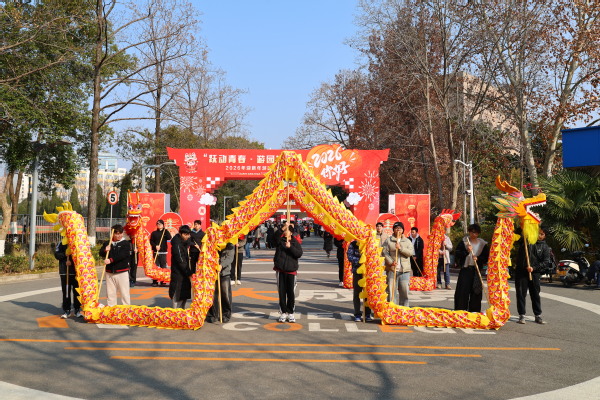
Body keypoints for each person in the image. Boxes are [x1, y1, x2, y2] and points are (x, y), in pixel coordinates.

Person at [515, 227, 551, 324]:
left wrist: (534, 268)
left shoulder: (545, 247)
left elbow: (546, 262)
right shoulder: (526, 240)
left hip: (535, 273)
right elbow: (517, 235)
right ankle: (522, 315)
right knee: (521, 293)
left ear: (545, 236)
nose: (539, 235)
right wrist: (522, 226)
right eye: (538, 233)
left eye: (542, 234)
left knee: (535, 294)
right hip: (521, 271)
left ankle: (537, 315)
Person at [454, 223, 489, 313]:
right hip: (466, 269)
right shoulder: (464, 242)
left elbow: (486, 257)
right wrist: (467, 251)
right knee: (462, 291)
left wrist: (478, 258)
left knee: (476, 290)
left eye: (476, 233)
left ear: (478, 233)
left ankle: (474, 311)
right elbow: (457, 254)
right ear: (469, 232)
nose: (474, 234)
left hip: (476, 270)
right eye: (472, 232)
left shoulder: (482, 244)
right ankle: (461, 310)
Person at [274, 221, 303, 323]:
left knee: (291, 293)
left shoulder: (295, 242)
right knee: (281, 292)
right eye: (284, 231)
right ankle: (283, 312)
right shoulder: (280, 241)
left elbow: (299, 254)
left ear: (291, 232)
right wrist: (283, 227)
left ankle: (290, 312)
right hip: (280, 270)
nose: (285, 232)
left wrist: (290, 247)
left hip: (291, 271)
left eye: (287, 230)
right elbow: (274, 238)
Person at [99, 224, 132, 307]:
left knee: (124, 293)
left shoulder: (126, 243)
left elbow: (123, 255)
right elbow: (100, 253)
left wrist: (111, 260)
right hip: (109, 272)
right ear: (112, 234)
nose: (119, 235)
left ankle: (126, 309)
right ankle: (111, 309)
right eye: (117, 234)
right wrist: (105, 250)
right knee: (110, 294)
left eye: (121, 233)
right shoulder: (107, 243)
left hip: (122, 272)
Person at [383, 222, 414, 307]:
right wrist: (391, 262)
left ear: (403, 230)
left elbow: (410, 253)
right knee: (391, 292)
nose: (398, 230)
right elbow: (384, 252)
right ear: (393, 230)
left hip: (404, 271)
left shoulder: (407, 241)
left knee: (404, 292)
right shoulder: (388, 240)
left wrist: (401, 248)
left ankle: (404, 310)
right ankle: (392, 309)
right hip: (392, 270)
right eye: (396, 228)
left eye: (400, 228)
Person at [206, 242, 235, 323]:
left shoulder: (230, 244)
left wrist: (221, 265)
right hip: (212, 273)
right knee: (213, 295)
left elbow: (230, 258)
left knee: (225, 295)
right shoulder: (212, 242)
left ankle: (226, 314)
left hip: (224, 273)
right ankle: (213, 314)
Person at [54, 242, 82, 318]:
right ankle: (67, 310)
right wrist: (65, 254)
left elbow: (81, 255)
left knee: (77, 292)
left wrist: (72, 261)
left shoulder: (77, 242)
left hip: (76, 272)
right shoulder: (61, 243)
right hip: (64, 272)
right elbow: (56, 255)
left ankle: (77, 310)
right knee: (66, 292)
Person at [348, 240, 373, 322]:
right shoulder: (353, 244)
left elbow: (374, 255)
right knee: (357, 293)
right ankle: (357, 314)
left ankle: (367, 314)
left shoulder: (369, 242)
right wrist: (361, 261)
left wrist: (368, 261)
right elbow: (350, 256)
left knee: (367, 293)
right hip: (357, 271)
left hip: (368, 272)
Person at [169, 225, 193, 309]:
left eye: (188, 234)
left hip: (184, 272)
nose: (187, 236)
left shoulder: (184, 241)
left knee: (184, 295)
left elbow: (190, 240)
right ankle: (176, 314)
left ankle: (182, 313)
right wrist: (189, 273)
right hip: (178, 273)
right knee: (178, 295)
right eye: (185, 234)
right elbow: (180, 260)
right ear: (180, 233)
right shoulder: (177, 244)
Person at [150, 219, 172, 287]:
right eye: (158, 224)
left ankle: (163, 281)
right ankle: (155, 281)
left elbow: (169, 237)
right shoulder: (154, 233)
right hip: (156, 251)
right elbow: (151, 241)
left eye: (160, 224)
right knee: (155, 266)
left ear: (163, 225)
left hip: (163, 252)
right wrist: (155, 246)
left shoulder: (165, 232)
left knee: (163, 266)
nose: (159, 225)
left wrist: (166, 230)